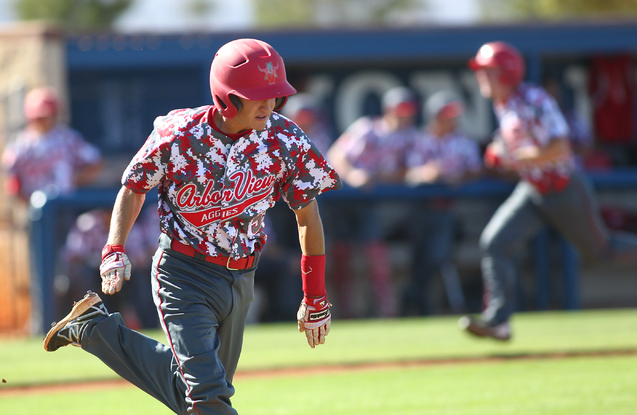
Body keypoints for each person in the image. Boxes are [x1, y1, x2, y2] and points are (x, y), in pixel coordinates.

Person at [43, 38, 342, 415]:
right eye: (257, 95)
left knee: (199, 393)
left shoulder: (284, 139)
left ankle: (92, 328)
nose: (270, 104)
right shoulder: (179, 133)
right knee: (208, 396)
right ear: (227, 97)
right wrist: (114, 248)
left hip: (242, 275)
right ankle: (94, 329)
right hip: (183, 272)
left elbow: (307, 218)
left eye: (276, 94)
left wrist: (314, 294)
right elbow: (134, 186)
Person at [459, 41, 637, 341]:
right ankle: (498, 322)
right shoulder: (503, 104)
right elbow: (508, 144)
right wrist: (498, 149)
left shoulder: (533, 98)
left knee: (603, 252)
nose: (480, 78)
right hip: (533, 189)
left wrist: (513, 157)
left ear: (506, 73)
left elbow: (559, 147)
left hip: (564, 187)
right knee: (495, 242)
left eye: (487, 72)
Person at [327, 86, 421, 318]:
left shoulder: (411, 136)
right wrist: (353, 175)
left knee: (374, 249)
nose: (404, 117)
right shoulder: (367, 128)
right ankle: (345, 308)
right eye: (400, 111)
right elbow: (335, 155)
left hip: (379, 203)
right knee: (342, 252)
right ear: (388, 111)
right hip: (345, 198)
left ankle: (385, 308)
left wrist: (377, 176)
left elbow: (411, 170)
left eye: (408, 112)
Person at [401, 91, 482, 316]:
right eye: (446, 115)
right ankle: (418, 305)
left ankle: (420, 301)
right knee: (419, 261)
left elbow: (476, 170)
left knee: (438, 257)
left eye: (453, 116)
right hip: (420, 209)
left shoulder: (462, 141)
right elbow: (409, 172)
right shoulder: (420, 139)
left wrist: (460, 177)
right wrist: (432, 173)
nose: (451, 120)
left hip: (446, 210)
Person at [1, 87, 102, 203]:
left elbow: (96, 163)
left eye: (45, 116)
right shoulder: (20, 146)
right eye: (37, 117)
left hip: (65, 203)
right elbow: (12, 180)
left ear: (54, 115)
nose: (41, 121)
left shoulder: (67, 139)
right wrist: (29, 203)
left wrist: (71, 181)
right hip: (36, 205)